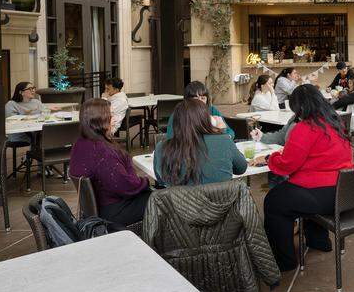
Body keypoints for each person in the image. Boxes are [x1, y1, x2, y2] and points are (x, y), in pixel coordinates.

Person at [251, 84, 354, 270]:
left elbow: (287, 165)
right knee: (297, 197)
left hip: (321, 194)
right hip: (345, 190)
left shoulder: (305, 128)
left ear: (299, 107)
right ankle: (319, 241)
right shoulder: (335, 121)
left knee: (274, 202)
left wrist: (269, 158)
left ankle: (284, 261)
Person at [69, 98, 152, 227]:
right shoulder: (102, 151)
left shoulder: (80, 144)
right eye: (111, 116)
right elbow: (126, 186)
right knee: (164, 199)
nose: (115, 119)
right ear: (99, 121)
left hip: (97, 208)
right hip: (113, 212)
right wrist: (146, 182)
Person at [154, 100, 247, 186]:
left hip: (180, 203)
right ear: (206, 120)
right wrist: (222, 131)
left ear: (176, 122)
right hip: (221, 202)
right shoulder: (223, 141)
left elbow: (161, 180)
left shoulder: (161, 148)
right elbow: (241, 168)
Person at [167, 81, 234, 140]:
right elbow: (171, 138)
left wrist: (224, 133)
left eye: (203, 98)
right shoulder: (178, 115)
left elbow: (230, 133)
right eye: (195, 99)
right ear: (187, 100)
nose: (200, 102)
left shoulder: (212, 110)